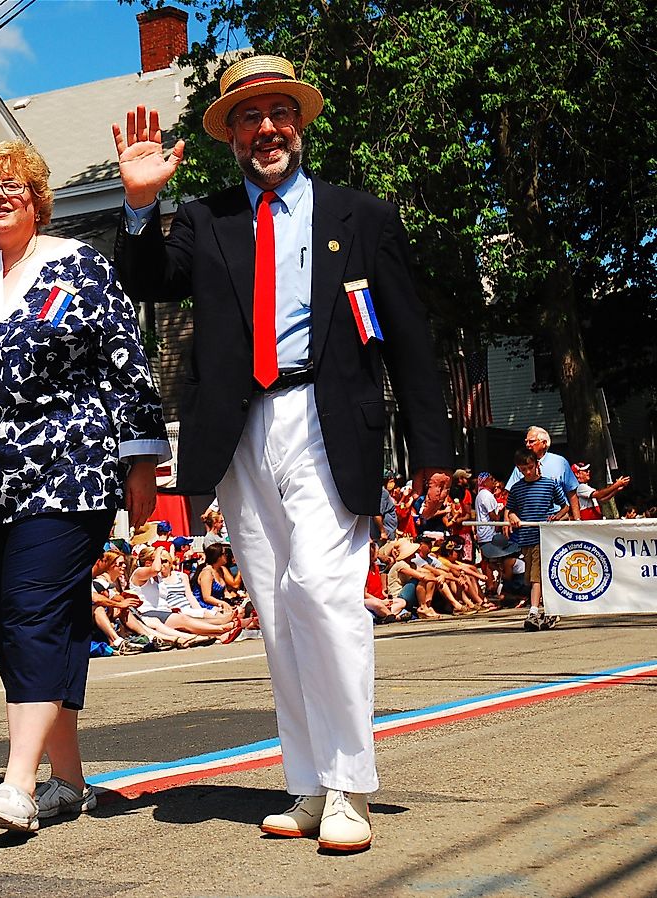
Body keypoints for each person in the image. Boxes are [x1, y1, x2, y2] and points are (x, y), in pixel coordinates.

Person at [112, 55, 455, 852]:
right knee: (276, 611)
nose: (265, 128)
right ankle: (305, 784)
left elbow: (407, 335)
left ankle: (348, 786)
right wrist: (138, 205)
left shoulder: (361, 216)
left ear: (300, 123)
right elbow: (150, 280)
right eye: (247, 116)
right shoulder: (206, 218)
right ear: (229, 133)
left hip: (328, 416)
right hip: (239, 430)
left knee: (324, 595)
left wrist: (435, 449)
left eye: (278, 113)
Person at [0, 139, 169, 833]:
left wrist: (141, 462)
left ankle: (17, 785)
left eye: (12, 183)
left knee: (33, 611)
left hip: (69, 470)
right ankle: (69, 781)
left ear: (38, 197)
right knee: (5, 623)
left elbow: (125, 365)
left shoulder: (81, 267)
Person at [507, 448, 567, 631]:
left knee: (537, 576)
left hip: (544, 536)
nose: (527, 472)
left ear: (537, 465)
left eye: (530, 468)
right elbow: (510, 510)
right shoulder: (517, 488)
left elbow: (565, 506)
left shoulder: (549, 484)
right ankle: (550, 609)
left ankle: (533, 611)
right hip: (525, 537)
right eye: (523, 469)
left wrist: (557, 516)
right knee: (531, 576)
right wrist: (512, 517)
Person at [506, 426, 579, 520]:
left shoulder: (560, 462)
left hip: (555, 519)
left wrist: (577, 519)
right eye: (526, 442)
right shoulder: (520, 465)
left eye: (531, 441)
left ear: (544, 443)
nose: (528, 445)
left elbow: (571, 493)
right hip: (528, 521)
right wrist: (507, 521)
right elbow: (510, 495)